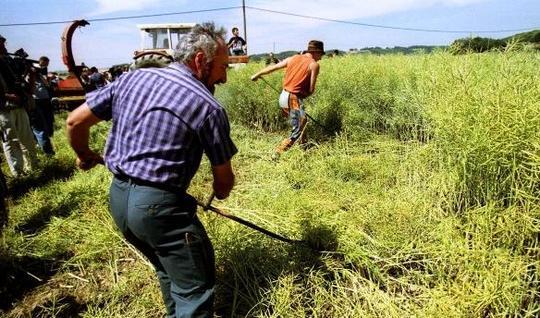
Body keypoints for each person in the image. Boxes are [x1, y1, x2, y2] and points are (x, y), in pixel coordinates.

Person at [66, 22, 237, 318]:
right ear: (200, 60)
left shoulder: (132, 79)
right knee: (195, 290)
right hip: (159, 210)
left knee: (167, 269)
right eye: (223, 66)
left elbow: (74, 121)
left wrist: (84, 154)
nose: (224, 77)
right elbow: (223, 183)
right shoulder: (208, 107)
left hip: (119, 200)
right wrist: (220, 194)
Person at [251, 40, 324, 158]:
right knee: (299, 127)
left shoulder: (292, 58)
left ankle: (304, 148)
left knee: (302, 121)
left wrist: (257, 75)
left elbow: (273, 68)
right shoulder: (314, 65)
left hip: (283, 96)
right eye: (321, 55)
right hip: (293, 98)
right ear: (316, 52)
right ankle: (277, 154)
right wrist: (302, 97)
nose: (320, 58)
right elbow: (311, 89)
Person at [0, 34, 38, 177]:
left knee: (27, 138)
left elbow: (20, 82)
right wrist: (8, 96)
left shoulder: (8, 62)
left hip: (19, 106)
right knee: (11, 140)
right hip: (4, 109)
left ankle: (33, 167)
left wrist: (30, 73)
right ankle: (18, 173)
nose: (4, 47)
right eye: (1, 44)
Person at [29, 56, 55, 155]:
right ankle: (41, 145)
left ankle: (46, 140)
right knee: (39, 125)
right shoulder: (31, 71)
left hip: (45, 99)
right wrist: (34, 73)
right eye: (45, 64)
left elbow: (47, 85)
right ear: (41, 62)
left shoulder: (42, 72)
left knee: (48, 122)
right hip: (36, 100)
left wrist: (47, 78)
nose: (46, 66)